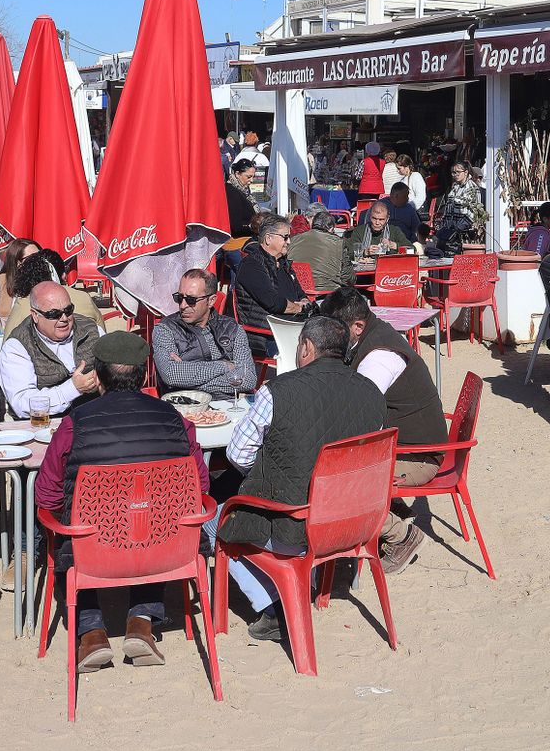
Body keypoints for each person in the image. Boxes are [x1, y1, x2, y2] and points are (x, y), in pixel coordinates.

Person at [34, 331, 209, 670]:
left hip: (93, 547)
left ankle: (91, 632)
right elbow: (199, 487)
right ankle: (141, 622)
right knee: (154, 521)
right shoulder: (177, 421)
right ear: (143, 376)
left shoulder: (75, 424)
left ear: (97, 376)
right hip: (162, 546)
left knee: (67, 533)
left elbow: (47, 494)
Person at [204, 316, 385, 641]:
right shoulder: (372, 392)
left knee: (212, 515)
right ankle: (301, 587)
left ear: (307, 347)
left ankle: (272, 605)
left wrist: (270, 472)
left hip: (298, 528)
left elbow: (237, 455)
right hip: (357, 521)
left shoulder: (278, 391)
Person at [320, 288, 449, 572]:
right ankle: (397, 513)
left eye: (333, 330)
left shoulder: (379, 357)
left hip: (418, 456)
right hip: (407, 444)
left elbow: (359, 419)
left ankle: (401, 536)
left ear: (357, 326)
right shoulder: (371, 337)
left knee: (336, 479)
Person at [0, 281, 102, 418]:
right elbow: (22, 404)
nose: (64, 318)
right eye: (54, 314)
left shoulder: (92, 330)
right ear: (35, 315)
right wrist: (72, 389)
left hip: (93, 419)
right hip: (44, 426)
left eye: (68, 310)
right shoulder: (17, 346)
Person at [152, 269, 255, 399]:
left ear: (211, 301)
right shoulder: (165, 329)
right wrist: (226, 365)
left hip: (227, 407)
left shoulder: (232, 329)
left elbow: (249, 378)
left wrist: (187, 379)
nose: (183, 305)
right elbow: (171, 374)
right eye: (179, 298)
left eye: (191, 300)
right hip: (186, 407)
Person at [233, 217, 307, 355]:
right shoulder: (252, 265)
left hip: (290, 325)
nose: (289, 242)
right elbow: (273, 302)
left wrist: (305, 302)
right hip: (267, 334)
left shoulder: (284, 264)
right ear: (268, 239)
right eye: (285, 237)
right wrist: (299, 308)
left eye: (289, 237)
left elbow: (300, 293)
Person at [4, 250, 102, 333]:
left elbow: (8, 343)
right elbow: (101, 331)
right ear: (63, 276)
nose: (63, 318)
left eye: (68, 310)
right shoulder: (83, 297)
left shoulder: (24, 304)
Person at [287, 206, 355, 292]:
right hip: (327, 292)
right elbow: (348, 277)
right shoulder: (338, 242)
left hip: (298, 291)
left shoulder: (293, 240)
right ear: (331, 229)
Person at [0, 237, 39, 330]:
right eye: (31, 258)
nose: (37, 261)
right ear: (17, 262)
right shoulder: (0, 282)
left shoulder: (48, 282)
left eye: (39, 256)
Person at [436, 161, 488, 252]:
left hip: (463, 235)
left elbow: (472, 213)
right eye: (453, 172)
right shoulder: (455, 187)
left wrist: (458, 230)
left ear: (466, 172)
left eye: (457, 172)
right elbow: (448, 209)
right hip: (448, 232)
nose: (455, 175)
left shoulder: (472, 188)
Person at [347, 201, 412, 262]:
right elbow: (348, 254)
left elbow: (412, 250)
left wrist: (393, 245)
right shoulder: (359, 231)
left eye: (381, 219)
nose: (377, 223)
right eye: (374, 218)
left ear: (387, 218)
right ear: (370, 217)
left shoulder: (394, 231)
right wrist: (365, 252)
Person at [226, 158, 258, 238]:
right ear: (237, 174)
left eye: (253, 177)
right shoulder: (231, 192)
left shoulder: (242, 190)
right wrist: (254, 226)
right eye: (248, 177)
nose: (252, 180)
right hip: (238, 242)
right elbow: (235, 225)